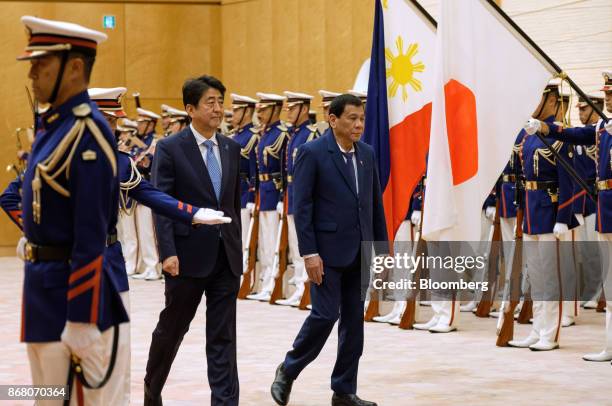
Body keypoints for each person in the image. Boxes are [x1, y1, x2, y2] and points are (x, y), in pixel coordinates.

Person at [0, 15, 128, 405]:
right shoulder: (52, 127)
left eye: (42, 64)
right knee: (47, 398)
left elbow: (90, 233)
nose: (33, 73)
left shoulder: (87, 132)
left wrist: (81, 317)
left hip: (74, 303)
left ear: (74, 67)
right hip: (43, 292)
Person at [87, 86, 230, 405]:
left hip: (109, 260)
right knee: (76, 349)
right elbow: (16, 197)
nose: (114, 129)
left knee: (116, 346)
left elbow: (151, 194)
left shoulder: (118, 160)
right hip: (71, 266)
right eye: (109, 122)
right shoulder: (65, 157)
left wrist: (193, 213)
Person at [271, 94, 387, 406]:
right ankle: (288, 369)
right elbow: (303, 206)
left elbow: (374, 204)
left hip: (359, 251)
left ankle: (344, 390)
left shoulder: (367, 154)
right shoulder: (312, 152)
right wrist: (309, 253)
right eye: (352, 118)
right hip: (326, 253)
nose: (358, 124)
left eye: (361, 118)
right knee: (324, 316)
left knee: (354, 324)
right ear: (333, 120)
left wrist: (382, 250)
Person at [144, 75, 242, 405]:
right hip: (186, 258)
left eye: (220, 102)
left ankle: (225, 401)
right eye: (210, 102)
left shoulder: (231, 148)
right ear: (190, 109)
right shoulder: (171, 149)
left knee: (223, 335)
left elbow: (232, 205)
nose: (218, 109)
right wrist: (167, 252)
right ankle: (152, 388)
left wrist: (237, 249)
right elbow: (162, 204)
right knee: (172, 330)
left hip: (225, 258)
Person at [526, 70, 612, 361]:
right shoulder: (602, 126)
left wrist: (565, 212)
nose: (608, 99)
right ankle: (610, 346)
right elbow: (576, 134)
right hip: (603, 206)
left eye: (610, 95)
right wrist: (546, 128)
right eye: (607, 95)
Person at [276, 91, 320, 307]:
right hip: (291, 194)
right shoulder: (294, 135)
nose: (289, 113)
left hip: (305, 195)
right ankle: (300, 287)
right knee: (294, 244)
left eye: (292, 108)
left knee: (305, 243)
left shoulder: (311, 134)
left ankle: (307, 287)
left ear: (304, 108)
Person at [246, 92, 290, 301]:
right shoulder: (265, 134)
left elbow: (284, 167)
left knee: (273, 241)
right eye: (259, 110)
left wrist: (282, 195)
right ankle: (264, 280)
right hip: (262, 192)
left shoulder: (282, 134)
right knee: (263, 242)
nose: (260, 114)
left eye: (263, 110)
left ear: (275, 109)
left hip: (274, 192)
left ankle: (273, 282)